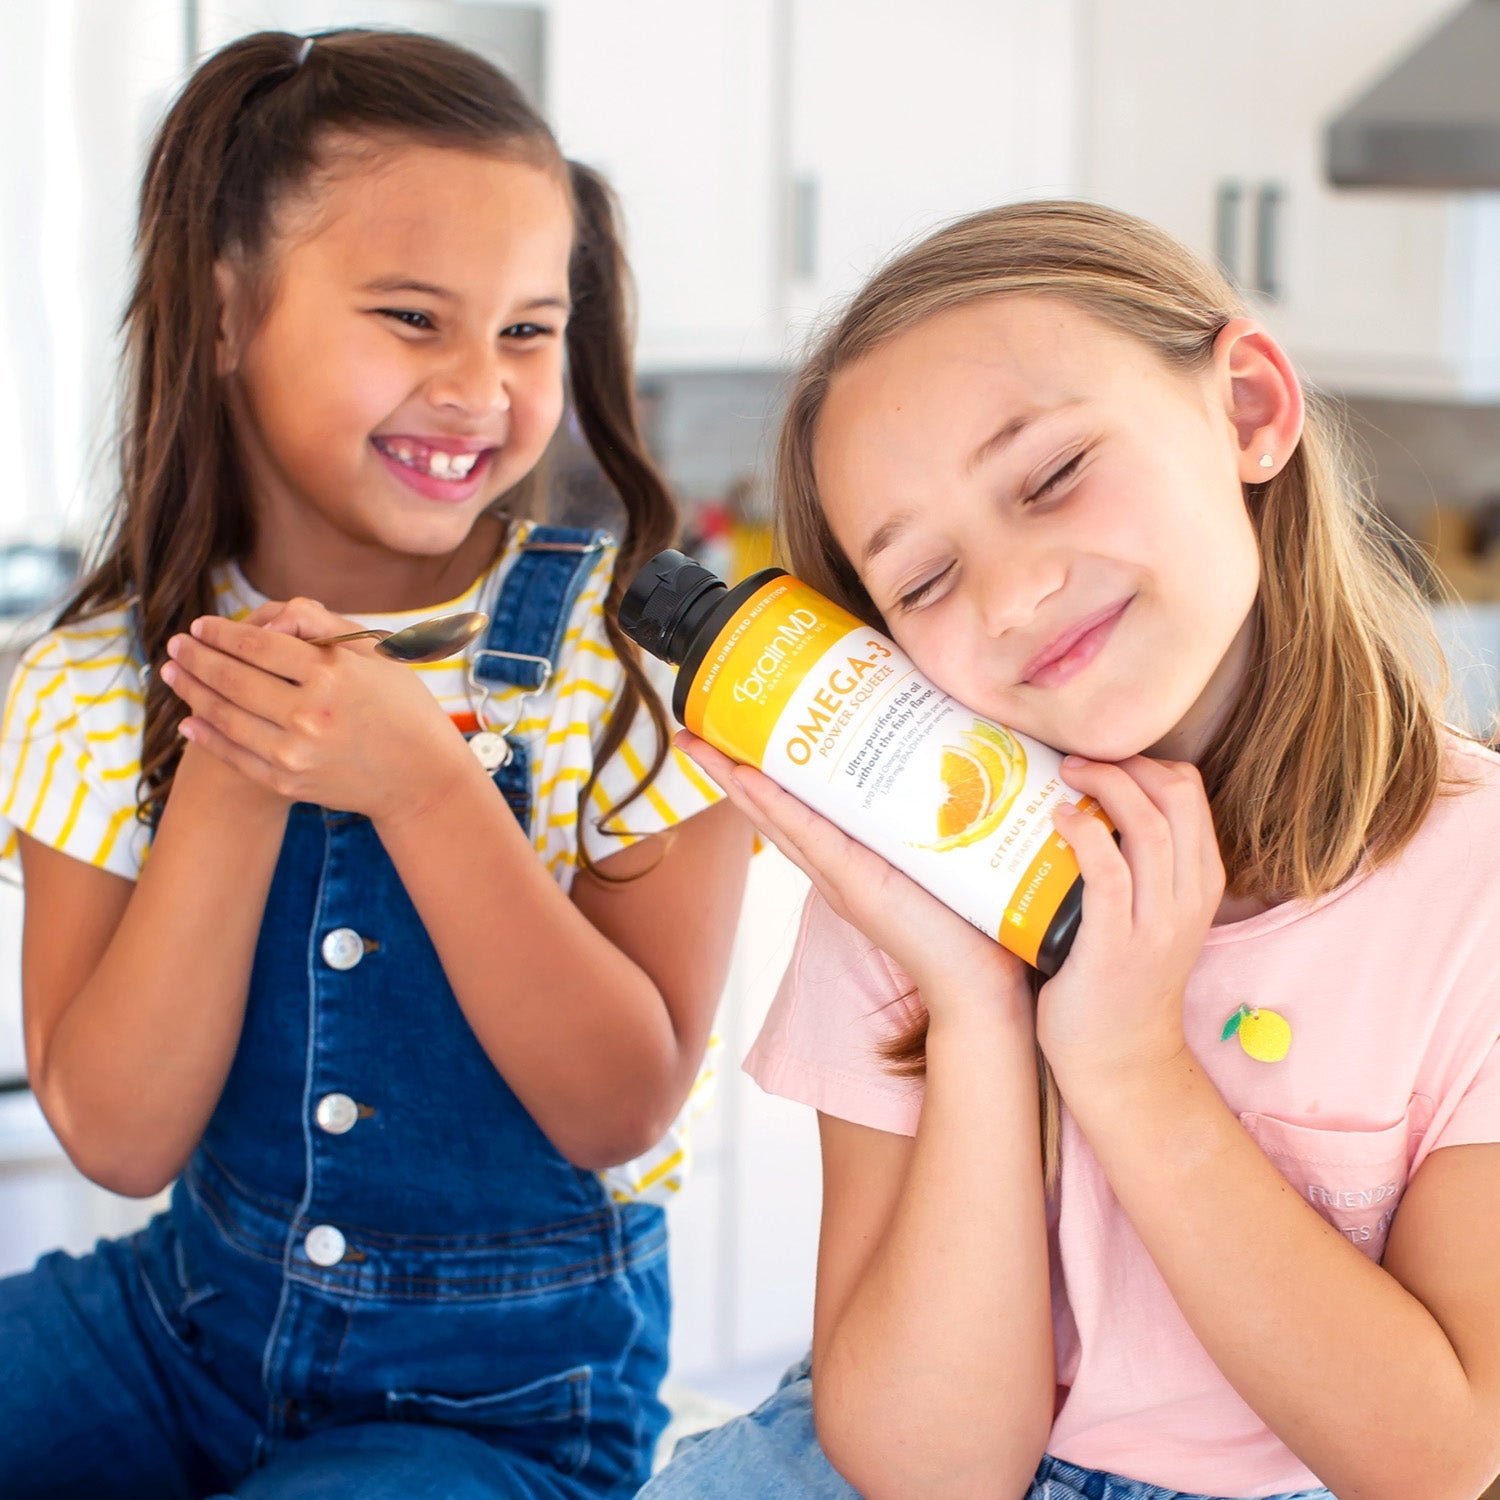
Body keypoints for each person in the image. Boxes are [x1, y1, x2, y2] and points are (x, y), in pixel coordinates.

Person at [642, 201, 1500, 1500]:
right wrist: (976, 1003)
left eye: (1049, 478)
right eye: (922, 581)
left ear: (1251, 410)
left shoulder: (1472, 887)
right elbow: (933, 1474)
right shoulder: (901, 885)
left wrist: (1128, 1063)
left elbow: (1433, 1459)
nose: (1011, 593)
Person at [0, 29, 750, 1500]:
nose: (479, 387)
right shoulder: (92, 681)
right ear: (227, 315)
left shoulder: (632, 670)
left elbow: (620, 1105)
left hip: (506, 1410)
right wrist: (236, 765)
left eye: (528, 330)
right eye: (414, 317)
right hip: (184, 1331)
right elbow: (120, 1138)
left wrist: (421, 785)